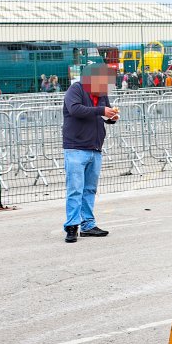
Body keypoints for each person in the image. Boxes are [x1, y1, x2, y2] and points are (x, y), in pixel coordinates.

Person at [61, 65, 118, 243]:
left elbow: (103, 113)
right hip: (76, 147)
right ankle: (72, 226)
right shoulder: (75, 89)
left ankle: (88, 224)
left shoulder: (101, 94)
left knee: (89, 189)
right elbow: (75, 110)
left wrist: (111, 118)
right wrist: (101, 111)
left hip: (95, 148)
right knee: (75, 189)